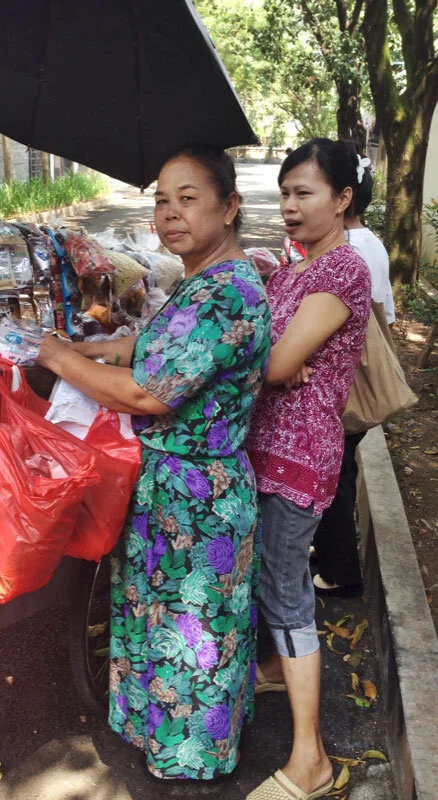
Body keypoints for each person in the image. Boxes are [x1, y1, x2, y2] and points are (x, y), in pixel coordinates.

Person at [36, 144, 271, 780]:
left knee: (192, 631)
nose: (170, 213)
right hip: (175, 487)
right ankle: (162, 739)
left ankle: (192, 762)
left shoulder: (224, 293)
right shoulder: (208, 281)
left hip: (198, 493)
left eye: (188, 199)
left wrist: (59, 357)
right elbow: (154, 346)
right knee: (160, 617)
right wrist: (103, 348)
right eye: (161, 200)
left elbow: (150, 392)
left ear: (230, 206)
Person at [244, 139, 372, 800]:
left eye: (306, 193)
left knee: (288, 589)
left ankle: (310, 759)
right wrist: (279, 359)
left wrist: (277, 360)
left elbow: (268, 363)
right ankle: (272, 666)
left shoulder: (343, 271)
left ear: (343, 198)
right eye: (285, 192)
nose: (290, 206)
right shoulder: (295, 268)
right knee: (270, 575)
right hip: (264, 448)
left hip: (300, 460)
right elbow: (277, 359)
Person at [312, 144, 395, 597]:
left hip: (347, 381)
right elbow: (387, 314)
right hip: (356, 375)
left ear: (342, 199)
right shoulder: (370, 243)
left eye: (309, 193)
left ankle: (343, 574)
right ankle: (328, 552)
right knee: (339, 474)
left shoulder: (347, 250)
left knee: (335, 477)